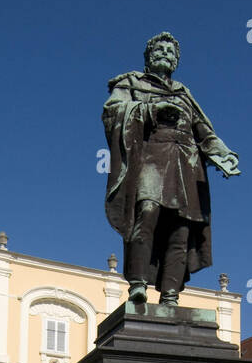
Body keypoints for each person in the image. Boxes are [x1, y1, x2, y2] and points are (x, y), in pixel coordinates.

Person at [103, 32, 240, 308]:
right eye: (159, 49)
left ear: (176, 60)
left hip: (185, 166)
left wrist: (222, 153)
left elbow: (203, 131)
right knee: (147, 214)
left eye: (171, 51)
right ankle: (138, 284)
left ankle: (170, 295)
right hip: (151, 159)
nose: (165, 53)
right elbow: (113, 113)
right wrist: (152, 109)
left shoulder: (184, 94)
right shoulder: (130, 83)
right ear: (148, 56)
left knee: (181, 230)